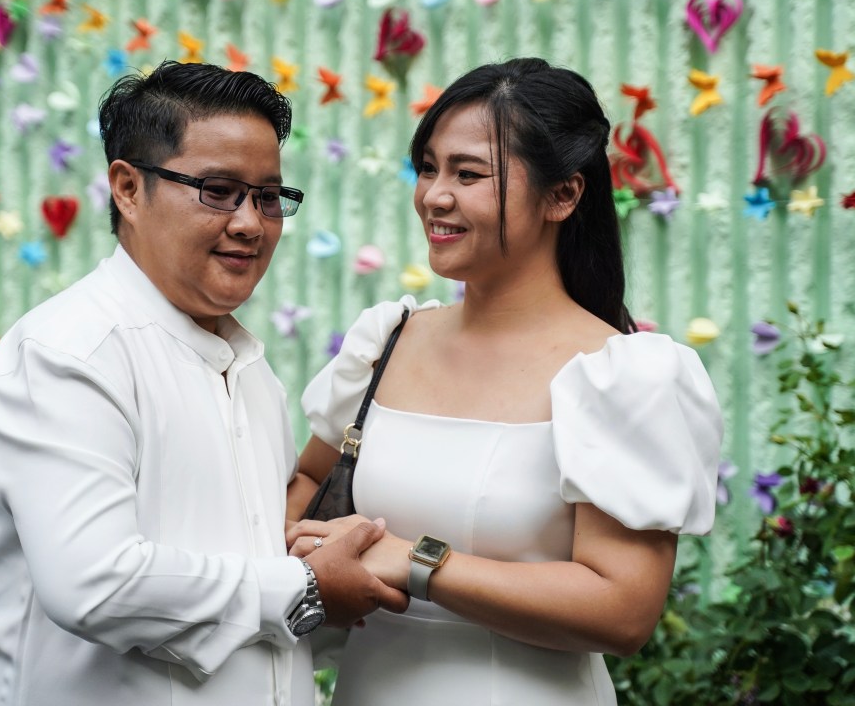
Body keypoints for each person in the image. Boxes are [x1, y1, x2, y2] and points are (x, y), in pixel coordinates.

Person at [0, 61, 407, 706]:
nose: (251, 223)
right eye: (219, 190)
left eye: (268, 196)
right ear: (127, 189)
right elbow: (97, 583)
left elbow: (243, 574)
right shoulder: (69, 354)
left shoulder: (251, 369)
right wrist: (304, 586)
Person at [285, 58, 724, 705]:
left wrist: (416, 561)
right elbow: (305, 490)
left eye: (468, 174)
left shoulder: (619, 374)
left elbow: (623, 610)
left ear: (563, 195)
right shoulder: (388, 338)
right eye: (428, 167)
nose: (435, 195)